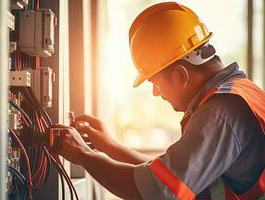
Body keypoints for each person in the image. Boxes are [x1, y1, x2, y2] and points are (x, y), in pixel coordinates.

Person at [54, 2, 265, 199]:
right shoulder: (237, 94)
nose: (156, 92)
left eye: (155, 82)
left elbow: (157, 191)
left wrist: (83, 155)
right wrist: (109, 146)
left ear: (181, 75)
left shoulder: (219, 112)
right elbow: (167, 175)